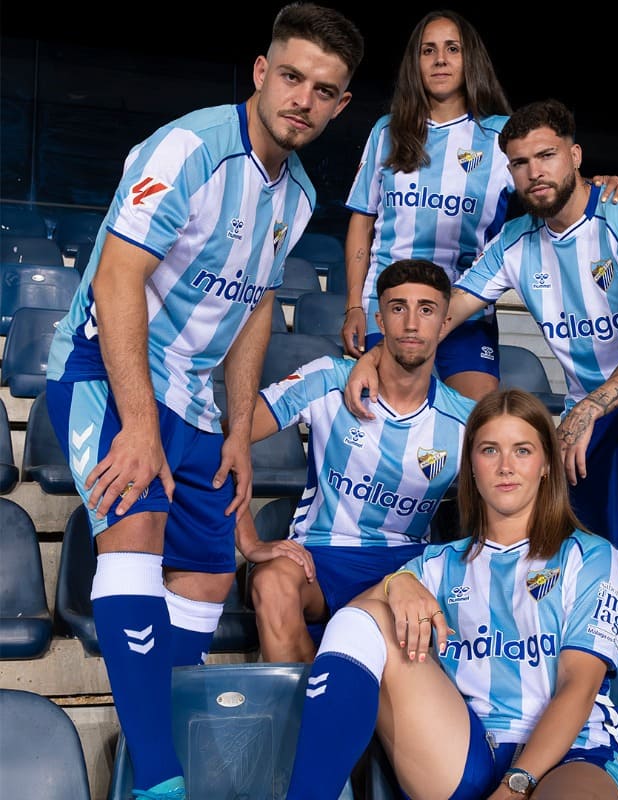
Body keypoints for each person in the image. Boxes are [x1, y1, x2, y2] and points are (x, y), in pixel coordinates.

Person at [44, 5, 363, 799]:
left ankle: (151, 747)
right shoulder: (189, 148)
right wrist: (139, 425)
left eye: (323, 90)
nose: (303, 99)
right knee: (136, 530)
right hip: (106, 369)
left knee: (210, 576)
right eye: (291, 77)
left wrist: (235, 430)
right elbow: (117, 276)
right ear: (261, 71)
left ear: (340, 105)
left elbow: (256, 307)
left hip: (193, 395)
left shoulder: (296, 196)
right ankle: (160, 781)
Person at [344, 98, 618, 653]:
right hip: (591, 404)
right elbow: (443, 315)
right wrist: (377, 353)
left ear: (575, 156)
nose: (534, 172)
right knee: (597, 552)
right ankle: (615, 674)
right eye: (519, 162)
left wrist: (586, 411)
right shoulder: (515, 243)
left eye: (546, 156)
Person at [285, 388, 618, 800]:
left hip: (573, 753)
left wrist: (514, 786)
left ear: (546, 464)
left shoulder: (591, 556)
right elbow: (355, 625)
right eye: (490, 450)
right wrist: (395, 583)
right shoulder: (437, 564)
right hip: (469, 751)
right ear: (470, 465)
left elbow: (578, 686)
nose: (505, 467)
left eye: (522, 451)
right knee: (362, 619)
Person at [340, 9, 618, 400]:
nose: (440, 60)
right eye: (428, 50)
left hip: (467, 309)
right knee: (385, 412)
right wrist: (354, 306)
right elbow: (362, 222)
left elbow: (553, 187)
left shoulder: (500, 134)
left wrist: (601, 185)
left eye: (452, 49)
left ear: (471, 59)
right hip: (389, 306)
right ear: (414, 63)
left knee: (477, 418)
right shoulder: (387, 131)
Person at [235, 258, 475, 663]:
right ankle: (309, 703)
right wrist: (248, 538)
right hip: (320, 556)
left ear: (444, 323)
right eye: (398, 308)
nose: (411, 323)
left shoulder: (466, 419)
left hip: (408, 566)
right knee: (271, 583)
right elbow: (225, 438)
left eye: (426, 310)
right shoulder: (328, 378)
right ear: (380, 319)